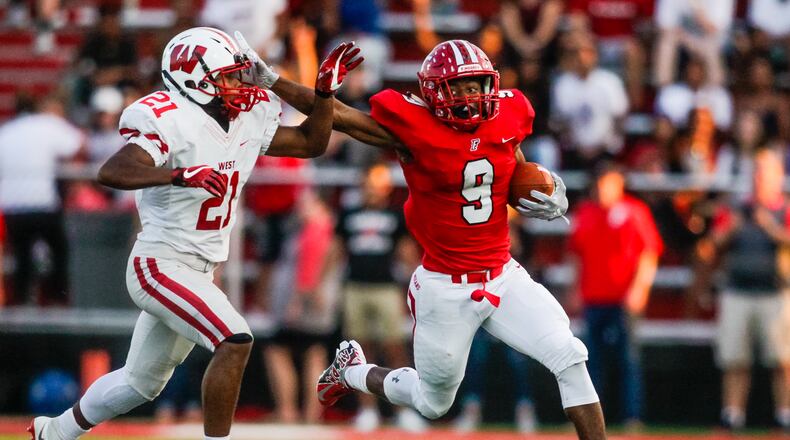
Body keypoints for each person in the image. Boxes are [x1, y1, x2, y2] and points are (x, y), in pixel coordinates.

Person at [238, 35, 606, 439]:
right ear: (433, 93)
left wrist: (544, 189)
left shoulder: (509, 113)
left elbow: (511, 157)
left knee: (570, 355)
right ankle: (355, 372)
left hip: (503, 274)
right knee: (434, 403)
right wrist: (274, 81)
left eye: (476, 85)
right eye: (458, 87)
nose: (469, 96)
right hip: (445, 286)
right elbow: (341, 115)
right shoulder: (414, 128)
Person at [27, 26, 356, 440]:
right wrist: (180, 175)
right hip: (160, 262)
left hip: (199, 270)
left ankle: (54, 431)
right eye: (231, 76)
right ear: (194, 79)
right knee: (235, 338)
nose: (241, 85)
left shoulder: (242, 119)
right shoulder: (170, 117)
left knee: (139, 383)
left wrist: (323, 96)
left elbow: (311, 142)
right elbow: (112, 170)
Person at [328, 163, 423, 432]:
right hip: (355, 286)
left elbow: (406, 253)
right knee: (360, 350)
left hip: (385, 287)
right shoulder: (348, 214)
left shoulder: (394, 216)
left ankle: (403, 410)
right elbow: (336, 250)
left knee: (394, 348)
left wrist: (417, 281)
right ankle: (367, 409)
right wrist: (320, 284)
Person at [568, 162, 664, 428]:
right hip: (594, 297)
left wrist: (639, 288)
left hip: (622, 298)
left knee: (628, 360)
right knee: (590, 361)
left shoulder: (634, 212)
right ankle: (591, 420)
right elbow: (577, 253)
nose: (602, 188)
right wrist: (575, 288)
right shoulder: (586, 212)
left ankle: (632, 416)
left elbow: (649, 253)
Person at [710, 146, 790, 430]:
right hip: (738, 290)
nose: (759, 177)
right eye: (756, 171)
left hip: (775, 291)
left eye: (765, 171)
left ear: (778, 175)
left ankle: (784, 414)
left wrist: (769, 227)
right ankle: (732, 414)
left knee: (782, 360)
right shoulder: (736, 208)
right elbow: (713, 245)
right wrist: (732, 228)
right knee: (735, 358)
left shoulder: (785, 209)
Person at [0, 93, 83, 306]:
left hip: (12, 206)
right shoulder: (47, 124)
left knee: (22, 256)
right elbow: (78, 143)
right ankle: (57, 299)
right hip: (42, 203)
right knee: (58, 251)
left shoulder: (6, 131)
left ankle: (19, 301)